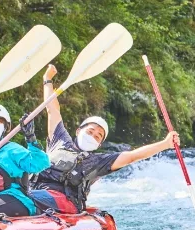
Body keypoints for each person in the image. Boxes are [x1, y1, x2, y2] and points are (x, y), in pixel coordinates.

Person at [30, 64, 181, 213]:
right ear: (78, 131)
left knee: (24, 198)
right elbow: (52, 109)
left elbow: (132, 156)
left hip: (63, 200)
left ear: (99, 144)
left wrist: (165, 144)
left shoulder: (99, 161)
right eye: (90, 131)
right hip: (33, 189)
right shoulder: (60, 139)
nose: (93, 136)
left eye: (98, 136)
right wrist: (47, 79)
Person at [0, 103, 51, 221]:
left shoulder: (12, 149)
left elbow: (40, 163)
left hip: (14, 199)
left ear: (5, 126)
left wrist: (30, 137)